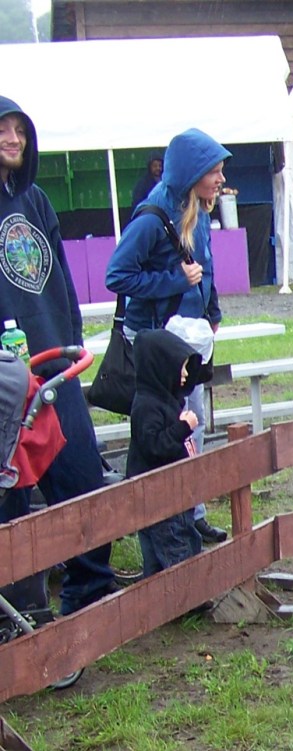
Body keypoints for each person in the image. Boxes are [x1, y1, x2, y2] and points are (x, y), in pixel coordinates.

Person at [0, 96, 116, 615]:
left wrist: (72, 340)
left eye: (20, 129)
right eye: (3, 129)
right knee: (14, 500)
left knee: (82, 477)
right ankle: (23, 614)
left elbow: (63, 281)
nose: (13, 139)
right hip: (7, 378)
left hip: (57, 364)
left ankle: (90, 590)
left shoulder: (37, 201)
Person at [106, 128, 231, 545]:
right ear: (192, 171)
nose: (220, 178)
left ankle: (190, 511)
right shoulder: (152, 216)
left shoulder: (198, 206)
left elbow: (204, 265)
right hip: (157, 346)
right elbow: (117, 275)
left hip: (189, 336)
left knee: (190, 423)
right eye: (213, 170)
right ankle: (160, 516)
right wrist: (171, 281)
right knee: (163, 429)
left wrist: (211, 310)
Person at [126, 329, 203, 576]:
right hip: (159, 495)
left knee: (176, 540)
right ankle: (185, 594)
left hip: (173, 491)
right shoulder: (147, 406)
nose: (185, 374)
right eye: (179, 367)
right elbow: (155, 447)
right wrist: (183, 428)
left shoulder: (166, 399)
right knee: (176, 545)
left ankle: (163, 597)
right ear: (160, 368)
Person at [129, 150, 164, 215]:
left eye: (160, 166)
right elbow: (137, 203)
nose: (158, 168)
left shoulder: (165, 181)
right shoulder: (142, 184)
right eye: (155, 166)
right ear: (150, 167)